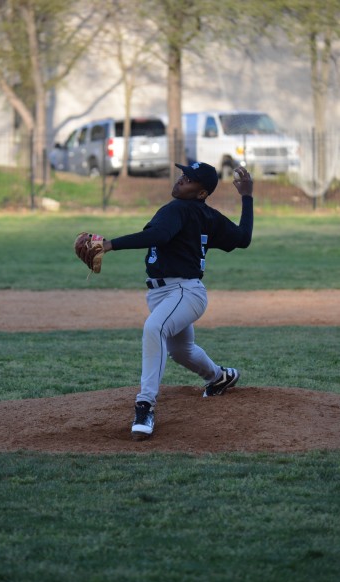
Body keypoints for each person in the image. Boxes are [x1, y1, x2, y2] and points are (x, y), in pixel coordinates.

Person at [102, 162, 254, 440]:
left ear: (201, 193)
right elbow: (243, 238)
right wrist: (247, 196)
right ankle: (219, 377)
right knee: (182, 351)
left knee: (154, 329)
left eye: (190, 179)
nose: (182, 180)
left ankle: (144, 406)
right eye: (183, 175)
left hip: (184, 291)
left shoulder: (178, 209)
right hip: (166, 294)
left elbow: (158, 235)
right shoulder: (205, 214)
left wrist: (111, 244)